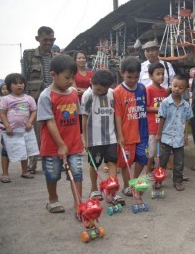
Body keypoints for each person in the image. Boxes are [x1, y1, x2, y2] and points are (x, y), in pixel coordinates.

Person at [37, 54, 83, 214]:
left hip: (74, 143)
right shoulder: (46, 96)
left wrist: (80, 138)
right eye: (67, 77)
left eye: (72, 77)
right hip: (52, 146)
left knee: (76, 173)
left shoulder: (73, 93)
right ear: (53, 75)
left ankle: (78, 204)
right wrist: (61, 145)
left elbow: (77, 116)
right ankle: (53, 199)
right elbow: (49, 121)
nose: (70, 81)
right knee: (52, 174)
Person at [80, 70, 124, 205]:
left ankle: (113, 191)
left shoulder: (112, 93)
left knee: (112, 162)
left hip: (110, 137)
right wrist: (85, 139)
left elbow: (116, 114)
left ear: (108, 87)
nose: (99, 92)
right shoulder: (87, 95)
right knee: (95, 164)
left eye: (102, 90)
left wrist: (119, 135)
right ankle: (94, 189)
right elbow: (84, 117)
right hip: (95, 139)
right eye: (97, 89)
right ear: (91, 83)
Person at [22, 26, 56, 174]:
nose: (48, 42)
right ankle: (32, 164)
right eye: (45, 39)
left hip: (53, 98)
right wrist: (25, 100)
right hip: (35, 99)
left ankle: (55, 162)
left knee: (54, 131)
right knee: (35, 133)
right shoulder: (29, 55)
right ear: (38, 39)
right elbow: (24, 77)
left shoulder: (56, 57)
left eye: (51, 40)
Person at [114, 57, 149, 197]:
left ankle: (134, 181)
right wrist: (120, 135)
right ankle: (127, 185)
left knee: (143, 158)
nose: (133, 80)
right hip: (127, 133)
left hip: (143, 131)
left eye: (136, 77)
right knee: (125, 162)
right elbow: (117, 115)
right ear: (122, 73)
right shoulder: (117, 92)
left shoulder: (142, 88)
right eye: (129, 77)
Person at [156, 75, 193, 191]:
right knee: (162, 161)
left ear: (185, 90)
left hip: (179, 138)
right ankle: (158, 180)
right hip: (166, 137)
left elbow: (186, 121)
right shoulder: (165, 103)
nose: (177, 89)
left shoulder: (186, 105)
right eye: (175, 86)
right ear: (171, 85)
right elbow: (161, 119)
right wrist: (159, 134)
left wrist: (186, 136)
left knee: (179, 162)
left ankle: (178, 181)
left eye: (181, 87)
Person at [0, 73, 39, 181]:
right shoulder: (6, 99)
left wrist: (30, 122)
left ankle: (25, 171)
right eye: (15, 83)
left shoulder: (29, 98)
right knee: (6, 152)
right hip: (9, 131)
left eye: (21, 83)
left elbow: (34, 111)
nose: (19, 85)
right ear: (9, 86)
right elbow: (2, 113)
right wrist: (7, 126)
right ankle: (5, 174)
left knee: (24, 150)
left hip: (25, 130)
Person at [145, 62, 168, 180]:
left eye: (162, 74)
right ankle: (147, 170)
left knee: (161, 151)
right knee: (152, 151)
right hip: (152, 126)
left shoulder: (164, 91)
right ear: (150, 75)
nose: (161, 76)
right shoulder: (148, 90)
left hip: (162, 126)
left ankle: (158, 170)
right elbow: (146, 107)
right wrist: (160, 109)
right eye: (158, 74)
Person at [73, 51, 94, 134]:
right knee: (81, 128)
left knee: (91, 126)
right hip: (78, 104)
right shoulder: (73, 73)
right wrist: (88, 89)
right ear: (75, 60)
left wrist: (83, 90)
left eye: (83, 58)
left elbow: (96, 89)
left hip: (90, 102)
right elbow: (75, 91)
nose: (81, 60)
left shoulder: (91, 73)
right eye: (79, 58)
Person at [0, 83, 10, 183]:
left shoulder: (13, 97)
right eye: (2, 89)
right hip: (3, 123)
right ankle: (5, 172)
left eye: (6, 89)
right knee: (5, 147)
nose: (4, 90)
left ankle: (25, 169)